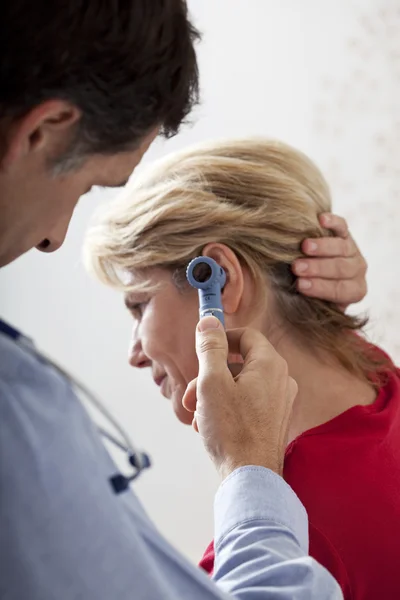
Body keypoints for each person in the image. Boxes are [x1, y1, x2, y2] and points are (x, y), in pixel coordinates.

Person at [0, 2, 357, 599]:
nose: (50, 237)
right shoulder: (380, 402)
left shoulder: (297, 529)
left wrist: (248, 474)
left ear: (216, 277)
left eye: (137, 305)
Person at [85, 137, 399, 600]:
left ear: (220, 279)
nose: (134, 353)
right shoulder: (378, 379)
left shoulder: (280, 556)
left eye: (139, 305)